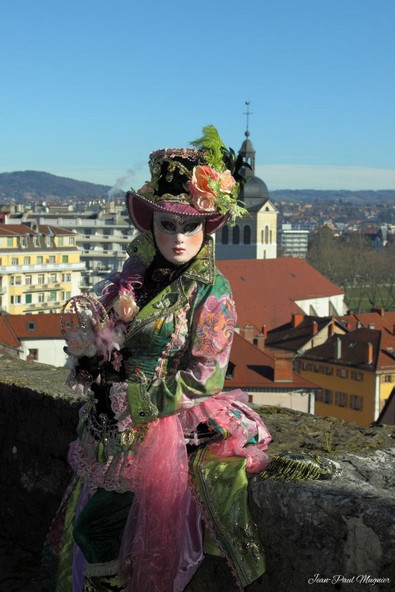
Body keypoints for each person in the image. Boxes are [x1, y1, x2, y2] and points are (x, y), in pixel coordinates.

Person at [42, 126, 272, 592]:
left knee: (98, 529)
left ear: (207, 226)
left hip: (168, 420)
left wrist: (138, 403)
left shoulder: (213, 292)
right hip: (111, 421)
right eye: (168, 223)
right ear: (152, 224)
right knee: (90, 529)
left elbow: (204, 377)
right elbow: (110, 336)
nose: (179, 237)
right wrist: (93, 366)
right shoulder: (135, 276)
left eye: (190, 225)